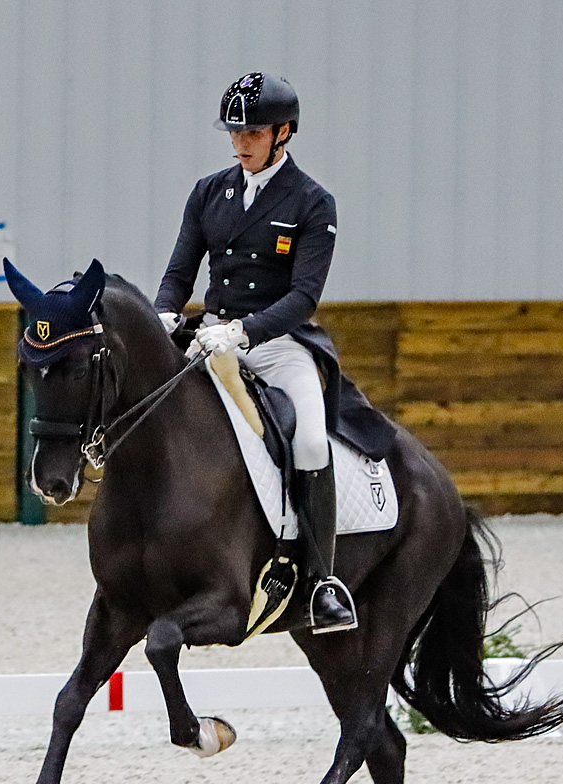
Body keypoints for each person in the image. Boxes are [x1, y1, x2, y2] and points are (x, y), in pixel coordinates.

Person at [154, 71, 357, 634]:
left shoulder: (314, 203)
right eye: (234, 132)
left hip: (277, 345)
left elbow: (303, 297)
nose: (241, 142)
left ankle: (322, 583)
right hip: (208, 337)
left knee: (312, 440)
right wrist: (165, 312)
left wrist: (243, 332)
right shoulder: (207, 192)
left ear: (283, 133)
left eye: (253, 132)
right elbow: (178, 271)